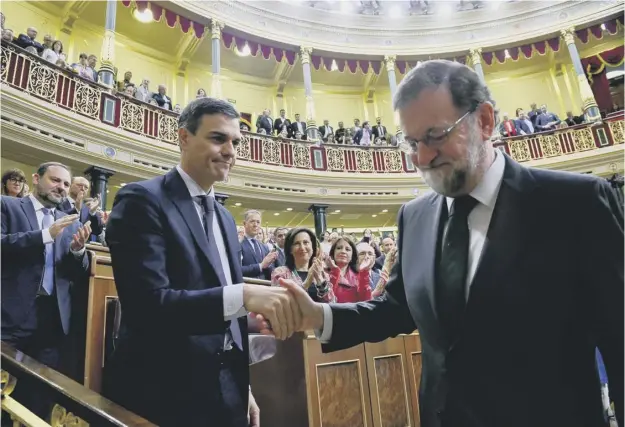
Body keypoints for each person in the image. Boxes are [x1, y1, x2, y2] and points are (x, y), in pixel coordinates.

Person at [268, 60, 623, 427]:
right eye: (411, 142)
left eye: (436, 136)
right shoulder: (415, 217)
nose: (422, 158)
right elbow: (396, 308)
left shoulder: (575, 205)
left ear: (484, 121)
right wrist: (319, 315)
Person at [103, 97, 301, 426]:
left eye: (235, 142)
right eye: (218, 138)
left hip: (228, 387)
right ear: (184, 138)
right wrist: (244, 295)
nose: (230, 151)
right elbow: (148, 306)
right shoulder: (142, 200)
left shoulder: (224, 218)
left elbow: (216, 302)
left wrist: (243, 382)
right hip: (166, 390)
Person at [1, 162, 90, 417]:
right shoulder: (8, 205)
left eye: (65, 183)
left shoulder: (68, 220)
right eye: (55, 180)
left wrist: (78, 251)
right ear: (37, 178)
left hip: (52, 319)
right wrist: (45, 235)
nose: (61, 187)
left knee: (40, 393)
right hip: (10, 314)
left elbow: (76, 272)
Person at [271, 227, 334, 302]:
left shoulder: (322, 272)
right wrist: (306, 283)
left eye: (306, 242)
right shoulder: (280, 273)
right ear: (290, 249)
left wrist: (320, 282)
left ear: (312, 247)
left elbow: (332, 302)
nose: (302, 247)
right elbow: (281, 302)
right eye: (297, 243)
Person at [327, 237, 372, 303]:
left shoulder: (360, 276)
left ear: (352, 256)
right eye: (339, 248)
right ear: (333, 253)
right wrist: (334, 272)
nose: (343, 251)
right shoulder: (323, 273)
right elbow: (326, 299)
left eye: (347, 249)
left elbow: (365, 301)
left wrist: (364, 272)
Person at [240, 209, 277, 280]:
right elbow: (237, 270)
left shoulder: (264, 247)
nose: (255, 225)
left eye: (258, 222)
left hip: (264, 286)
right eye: (252, 221)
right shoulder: (238, 245)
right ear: (244, 224)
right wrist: (260, 266)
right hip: (247, 287)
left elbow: (268, 270)